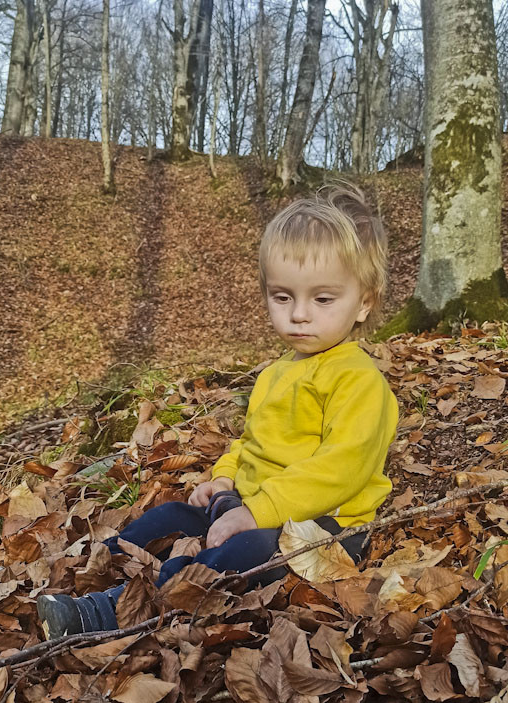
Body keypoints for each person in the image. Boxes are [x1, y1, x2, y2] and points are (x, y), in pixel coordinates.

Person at [36, 181, 399, 640]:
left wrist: (258, 510)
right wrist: (224, 477)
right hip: (249, 505)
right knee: (167, 517)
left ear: (364, 301)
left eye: (323, 299)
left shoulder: (358, 379)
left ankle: (116, 614)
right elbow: (252, 444)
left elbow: (341, 468)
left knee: (245, 552)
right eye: (282, 297)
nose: (299, 314)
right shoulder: (275, 374)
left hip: (326, 525)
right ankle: (94, 569)